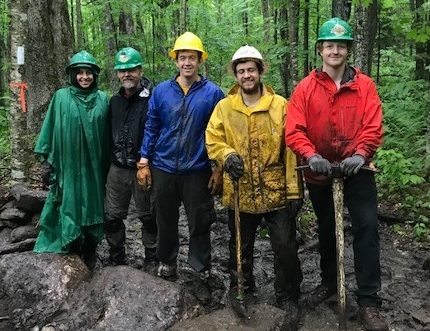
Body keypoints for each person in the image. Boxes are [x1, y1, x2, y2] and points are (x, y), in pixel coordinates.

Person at [285, 17, 388, 331]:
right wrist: (310, 154)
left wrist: (360, 153)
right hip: (320, 172)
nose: (335, 51)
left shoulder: (364, 86)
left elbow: (373, 126)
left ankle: (369, 301)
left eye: (340, 46)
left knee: (366, 228)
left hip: (357, 170)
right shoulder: (305, 88)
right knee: (328, 229)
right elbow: (294, 129)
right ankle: (330, 282)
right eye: (329, 45)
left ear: (348, 50)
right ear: (320, 49)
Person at [205, 45, 304, 325]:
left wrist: (295, 189)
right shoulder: (224, 107)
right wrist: (227, 155)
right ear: (235, 75)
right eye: (241, 71)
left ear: (260, 71)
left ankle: (288, 296)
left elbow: (292, 148)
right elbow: (213, 139)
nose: (246, 75)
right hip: (240, 190)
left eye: (251, 69)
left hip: (276, 189)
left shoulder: (280, 106)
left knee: (285, 246)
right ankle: (241, 290)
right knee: (239, 244)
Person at [137, 32, 224, 279]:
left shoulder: (213, 93)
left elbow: (220, 132)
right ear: (176, 61)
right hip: (163, 167)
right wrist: (144, 161)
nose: (187, 62)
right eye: (182, 57)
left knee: (200, 220)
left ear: (200, 60)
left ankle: (200, 266)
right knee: (165, 219)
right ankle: (167, 262)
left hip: (197, 169)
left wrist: (218, 167)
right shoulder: (162, 91)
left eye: (192, 58)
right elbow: (152, 126)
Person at [33, 50, 110, 270]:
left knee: (94, 202)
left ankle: (91, 245)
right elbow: (49, 126)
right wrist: (47, 160)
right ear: (73, 75)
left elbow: (111, 135)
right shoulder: (60, 98)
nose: (84, 77)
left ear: (95, 75)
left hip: (95, 165)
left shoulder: (104, 100)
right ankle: (71, 242)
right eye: (80, 73)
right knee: (70, 200)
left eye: (88, 73)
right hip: (69, 164)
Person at [104, 47, 157, 266]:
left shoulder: (153, 98)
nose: (127, 74)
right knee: (112, 216)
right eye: (122, 70)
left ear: (140, 70)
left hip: (144, 167)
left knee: (149, 216)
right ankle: (117, 256)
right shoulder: (114, 101)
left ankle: (152, 257)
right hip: (117, 168)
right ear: (117, 73)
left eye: (132, 69)